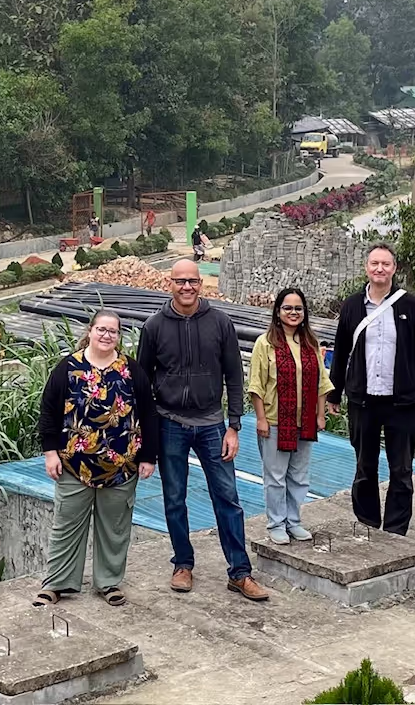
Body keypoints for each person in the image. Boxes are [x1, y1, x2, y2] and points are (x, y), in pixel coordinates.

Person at [137, 259, 269, 602]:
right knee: (174, 498)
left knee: (228, 498)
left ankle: (240, 572)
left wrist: (234, 426)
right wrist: (147, 431)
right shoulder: (154, 326)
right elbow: (142, 382)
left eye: (192, 281)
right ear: (170, 283)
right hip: (170, 423)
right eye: (180, 281)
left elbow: (234, 376)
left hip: (212, 424)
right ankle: (182, 564)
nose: (187, 287)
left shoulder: (220, 322)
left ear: (200, 284)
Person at [33, 309, 159, 608]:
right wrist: (50, 452)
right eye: (101, 329)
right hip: (73, 465)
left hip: (121, 466)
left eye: (112, 331)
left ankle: (109, 583)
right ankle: (56, 584)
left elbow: (149, 414)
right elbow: (49, 410)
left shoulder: (131, 370)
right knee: (66, 526)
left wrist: (149, 456)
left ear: (119, 336)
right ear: (90, 331)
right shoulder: (68, 367)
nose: (106, 335)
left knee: (115, 529)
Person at [328, 244, 415, 535]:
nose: (380, 269)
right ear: (366, 267)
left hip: (403, 401)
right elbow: (341, 350)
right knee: (365, 466)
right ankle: (368, 524)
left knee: (402, 469)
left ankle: (396, 531)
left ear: (394, 268)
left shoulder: (409, 304)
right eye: (375, 263)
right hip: (363, 400)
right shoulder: (352, 305)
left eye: (386, 264)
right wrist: (335, 393)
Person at [248, 288, 333, 545]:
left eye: (298, 308)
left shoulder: (310, 343)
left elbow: (321, 382)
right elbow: (256, 384)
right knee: (275, 477)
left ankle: (293, 521)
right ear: (278, 311)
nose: (293, 313)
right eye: (288, 308)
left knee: (299, 476)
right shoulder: (265, 343)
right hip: (275, 421)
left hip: (304, 421)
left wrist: (320, 415)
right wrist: (261, 419)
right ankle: (276, 523)